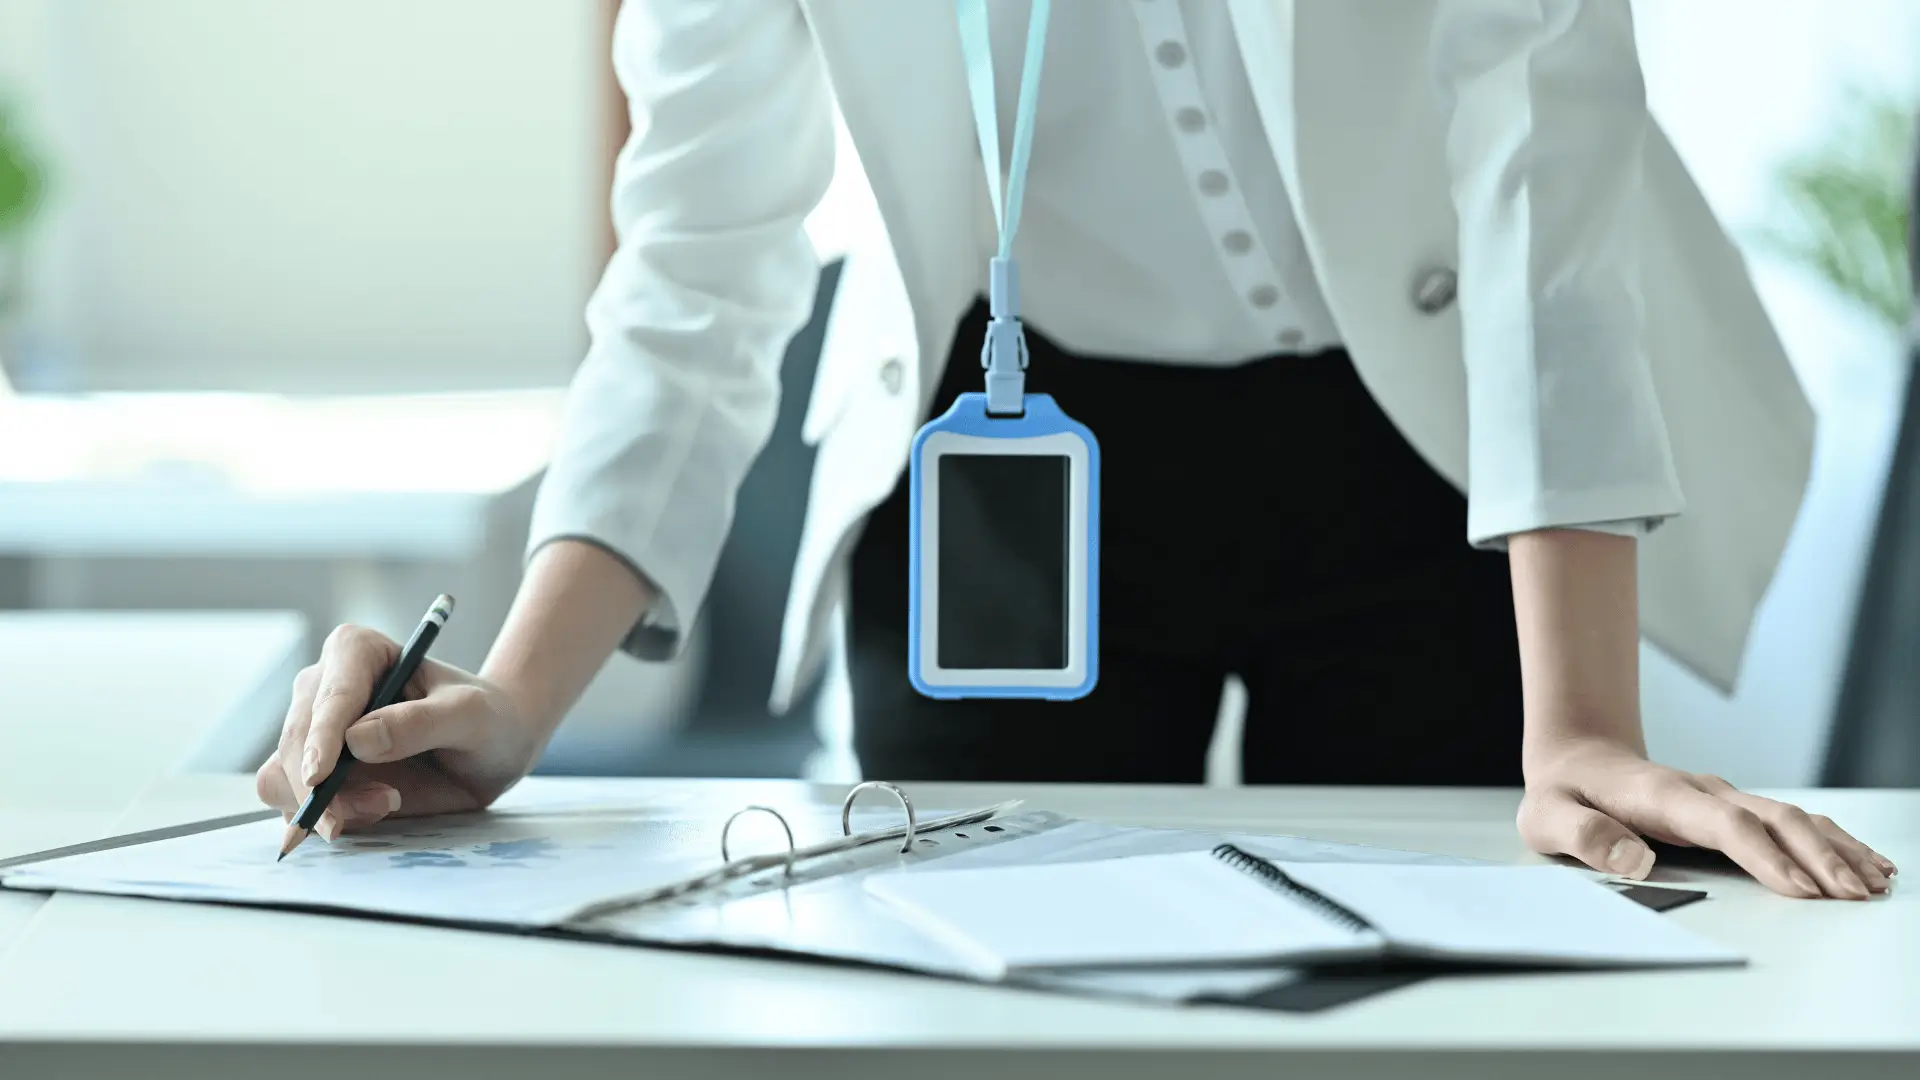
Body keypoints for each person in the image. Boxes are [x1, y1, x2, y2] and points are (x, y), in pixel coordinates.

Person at [255, 0, 1897, 898]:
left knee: (1468, 979)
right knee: (956, 974)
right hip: (1002, 452)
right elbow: (696, 263)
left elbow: (1542, 156)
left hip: (1428, 440)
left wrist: (1584, 726)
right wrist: (514, 701)